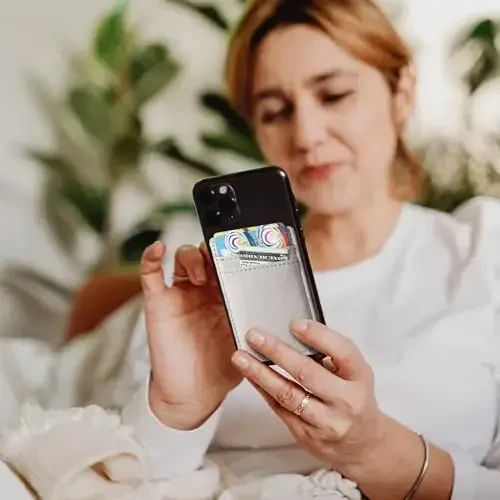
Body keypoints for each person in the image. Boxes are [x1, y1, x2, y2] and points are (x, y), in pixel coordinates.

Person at [120, 0, 500, 498]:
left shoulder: (482, 249)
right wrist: (178, 408)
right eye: (275, 112)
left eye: (335, 95)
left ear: (401, 93)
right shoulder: (204, 286)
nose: (306, 135)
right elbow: (124, 481)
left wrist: (377, 453)